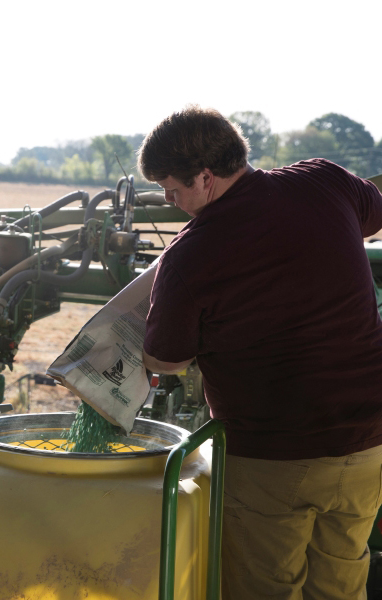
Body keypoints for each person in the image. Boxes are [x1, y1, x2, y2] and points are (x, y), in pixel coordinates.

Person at [138, 104, 382, 599]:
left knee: (263, 590)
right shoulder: (325, 180)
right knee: (341, 584)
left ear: (205, 177)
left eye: (172, 187)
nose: (169, 200)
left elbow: (165, 361)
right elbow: (374, 217)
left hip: (274, 457)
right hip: (368, 442)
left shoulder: (191, 254)